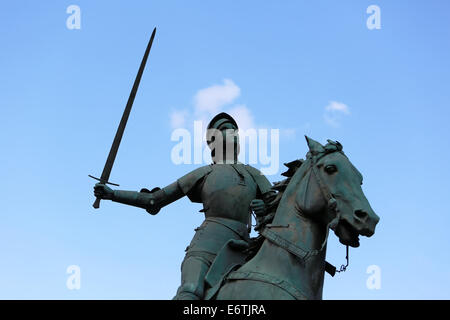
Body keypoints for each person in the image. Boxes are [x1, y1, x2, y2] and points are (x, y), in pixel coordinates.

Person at [93, 112, 273, 299]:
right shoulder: (204, 173)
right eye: (226, 130)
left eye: (235, 130)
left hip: (244, 250)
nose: (233, 133)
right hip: (206, 247)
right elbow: (154, 200)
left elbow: (279, 211)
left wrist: (265, 211)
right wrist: (112, 194)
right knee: (190, 290)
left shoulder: (255, 175)